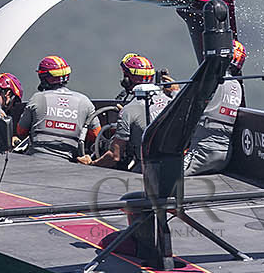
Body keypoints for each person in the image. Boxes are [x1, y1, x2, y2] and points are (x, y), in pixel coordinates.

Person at [185, 39, 246, 175]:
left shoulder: (212, 81)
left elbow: (186, 107)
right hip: (224, 155)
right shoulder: (236, 86)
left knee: (162, 176)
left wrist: (173, 93)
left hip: (201, 151)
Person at [82, 76, 171, 170]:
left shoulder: (129, 110)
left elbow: (114, 156)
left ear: (127, 81)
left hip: (147, 168)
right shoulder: (171, 99)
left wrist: (92, 165)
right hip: (175, 164)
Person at [15, 56, 91, 160]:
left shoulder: (37, 98)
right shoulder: (85, 101)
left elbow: (21, 131)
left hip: (35, 159)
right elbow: (95, 134)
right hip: (69, 163)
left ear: (43, 77)